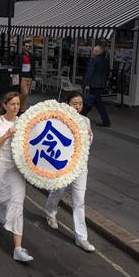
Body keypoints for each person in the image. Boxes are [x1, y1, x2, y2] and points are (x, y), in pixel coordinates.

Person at [0, 92, 33, 262]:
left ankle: (18, 248)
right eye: (12, 104)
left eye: (18, 104)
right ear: (4, 105)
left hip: (16, 169)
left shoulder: (23, 123)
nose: (16, 107)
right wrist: (6, 135)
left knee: (17, 204)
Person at [45, 91, 96, 252]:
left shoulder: (85, 120)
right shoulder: (59, 120)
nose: (78, 106)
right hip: (64, 166)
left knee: (79, 201)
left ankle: (81, 237)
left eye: (80, 103)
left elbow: (88, 144)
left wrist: (88, 136)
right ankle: (50, 211)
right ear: (67, 104)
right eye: (74, 103)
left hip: (80, 167)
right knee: (58, 191)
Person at [82, 45, 111, 127]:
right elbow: (107, 73)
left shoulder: (94, 60)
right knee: (93, 101)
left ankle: (106, 121)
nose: (92, 52)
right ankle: (81, 116)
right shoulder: (106, 61)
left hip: (94, 84)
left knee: (95, 102)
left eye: (94, 51)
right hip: (101, 84)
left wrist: (85, 84)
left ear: (98, 52)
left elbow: (89, 73)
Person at [14, 39, 35, 112]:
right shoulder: (19, 56)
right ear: (23, 47)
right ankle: (16, 103)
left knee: (26, 94)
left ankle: (21, 108)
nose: (28, 48)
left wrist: (33, 77)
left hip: (29, 76)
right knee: (25, 93)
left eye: (29, 46)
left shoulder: (31, 56)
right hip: (22, 76)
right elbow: (16, 67)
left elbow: (33, 67)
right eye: (26, 46)